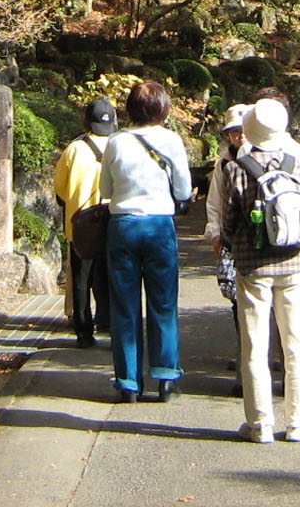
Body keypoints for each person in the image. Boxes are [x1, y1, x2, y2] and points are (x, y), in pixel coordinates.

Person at [222, 98, 300, 443]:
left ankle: (260, 425)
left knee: (255, 346)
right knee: (295, 344)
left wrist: (239, 243)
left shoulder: (237, 167)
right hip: (294, 264)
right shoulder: (299, 163)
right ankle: (297, 424)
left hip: (253, 266)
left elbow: (230, 223)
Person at [99, 81, 193, 402]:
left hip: (123, 225)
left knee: (124, 306)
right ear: (164, 109)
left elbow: (106, 189)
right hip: (159, 225)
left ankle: (128, 381)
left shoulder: (116, 141)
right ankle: (166, 377)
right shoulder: (172, 140)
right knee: (163, 303)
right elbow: (183, 190)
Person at [54, 97, 117, 348]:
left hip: (81, 226)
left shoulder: (74, 149)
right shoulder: (120, 146)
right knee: (111, 276)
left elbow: (60, 189)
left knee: (81, 279)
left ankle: (83, 331)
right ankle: (111, 324)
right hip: (113, 222)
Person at [205, 103, 251, 390]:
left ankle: (258, 360)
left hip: (264, 243)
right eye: (233, 132)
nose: (238, 136)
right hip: (233, 242)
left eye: (242, 130)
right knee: (237, 302)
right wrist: (215, 234)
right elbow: (214, 202)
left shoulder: (269, 157)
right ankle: (245, 356)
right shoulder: (223, 163)